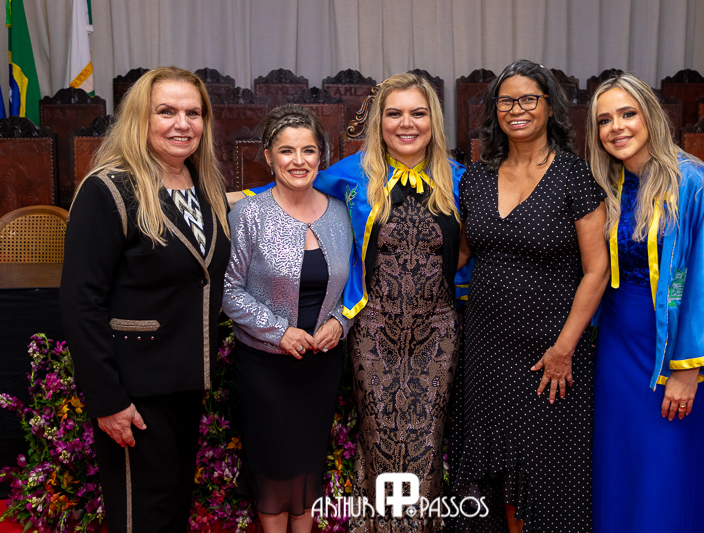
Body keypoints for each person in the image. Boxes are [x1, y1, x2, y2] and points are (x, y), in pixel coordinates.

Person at [60, 66, 231, 532]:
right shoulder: (108, 189)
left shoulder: (206, 187)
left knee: (172, 513)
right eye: (167, 111)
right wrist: (107, 399)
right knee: (143, 520)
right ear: (141, 118)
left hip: (186, 385)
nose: (183, 124)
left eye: (193, 113)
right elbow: (81, 301)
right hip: (134, 390)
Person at [586, 73, 704, 533]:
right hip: (617, 343)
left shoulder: (698, 184)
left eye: (627, 114)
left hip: (672, 344)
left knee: (666, 464)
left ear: (651, 116)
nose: (616, 127)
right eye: (605, 120)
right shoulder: (607, 183)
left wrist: (688, 371)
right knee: (621, 460)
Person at [452, 60, 608, 533]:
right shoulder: (477, 177)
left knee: (543, 471)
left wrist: (564, 349)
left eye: (528, 99)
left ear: (550, 107)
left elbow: (597, 270)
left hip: (549, 350)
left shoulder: (574, 176)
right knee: (492, 473)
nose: (516, 109)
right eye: (506, 101)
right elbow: (462, 253)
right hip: (486, 346)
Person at [312, 72, 467, 532]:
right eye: (394, 114)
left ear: (433, 121)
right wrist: (225, 199)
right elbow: (291, 189)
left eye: (418, 113)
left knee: (426, 442)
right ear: (379, 122)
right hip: (375, 333)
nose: (406, 123)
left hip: (437, 334)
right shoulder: (352, 173)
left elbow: (481, 242)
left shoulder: (459, 179)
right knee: (378, 440)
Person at [222, 104, 353, 533]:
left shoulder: (341, 213)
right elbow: (228, 291)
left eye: (308, 150)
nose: (299, 160)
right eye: (287, 151)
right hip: (266, 368)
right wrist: (279, 332)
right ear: (268, 156)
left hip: (322, 365)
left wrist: (341, 322)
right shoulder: (249, 214)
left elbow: (356, 284)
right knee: (273, 466)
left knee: (309, 461)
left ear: (321, 156)